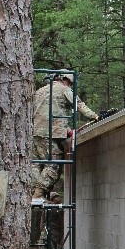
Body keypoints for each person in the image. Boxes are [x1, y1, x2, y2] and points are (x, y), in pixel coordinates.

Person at [31, 70, 98, 204]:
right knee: (53, 163)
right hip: (50, 134)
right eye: (69, 83)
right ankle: (37, 196)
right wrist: (95, 116)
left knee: (36, 164)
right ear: (65, 79)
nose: (70, 85)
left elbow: (44, 114)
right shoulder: (64, 89)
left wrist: (65, 129)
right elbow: (79, 105)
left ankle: (34, 192)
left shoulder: (39, 91)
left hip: (35, 132)